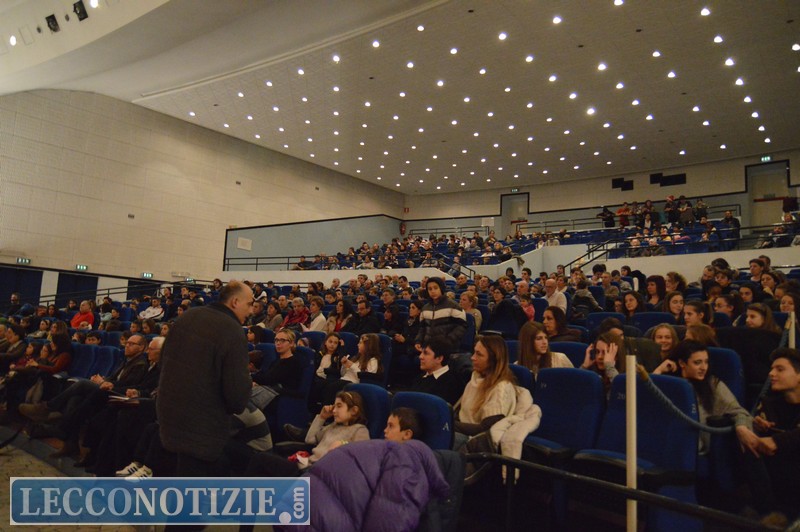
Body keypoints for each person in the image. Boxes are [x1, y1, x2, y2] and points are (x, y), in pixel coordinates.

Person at [157, 280, 254, 477]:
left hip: (170, 417)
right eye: (250, 304)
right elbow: (236, 395)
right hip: (202, 429)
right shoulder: (232, 330)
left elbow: (162, 362)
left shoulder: (188, 316)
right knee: (194, 490)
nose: (252, 310)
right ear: (235, 302)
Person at [246, 390, 369, 477]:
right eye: (334, 406)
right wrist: (321, 417)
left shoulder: (359, 430)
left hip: (317, 474)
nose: (334, 410)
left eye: (339, 406)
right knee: (262, 465)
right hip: (305, 468)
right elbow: (309, 440)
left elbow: (362, 454)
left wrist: (343, 443)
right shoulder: (333, 426)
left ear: (354, 410)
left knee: (260, 459)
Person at [747, 348, 800, 520]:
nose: (771, 373)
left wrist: (777, 440)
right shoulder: (770, 404)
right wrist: (756, 428)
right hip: (777, 483)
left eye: (780, 369)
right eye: (771, 369)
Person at [454, 335, 517, 451]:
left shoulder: (501, 388)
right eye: (474, 352)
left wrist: (452, 425)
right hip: (462, 434)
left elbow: (486, 429)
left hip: (477, 442)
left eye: (479, 354)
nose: (472, 357)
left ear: (493, 359)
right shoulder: (475, 380)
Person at [415, 277, 467, 355]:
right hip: (428, 347)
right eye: (430, 289)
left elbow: (462, 326)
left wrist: (448, 340)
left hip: (448, 348)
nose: (433, 291)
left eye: (435, 288)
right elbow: (422, 328)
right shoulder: (425, 308)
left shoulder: (453, 306)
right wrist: (418, 341)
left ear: (441, 288)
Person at [411, 337, 465, 405]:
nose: (420, 357)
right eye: (421, 353)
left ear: (439, 358)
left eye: (426, 353)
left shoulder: (451, 383)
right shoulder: (420, 377)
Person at [580, 331, 625, 395]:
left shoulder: (627, 374)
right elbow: (573, 388)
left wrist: (609, 366)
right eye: (597, 352)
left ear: (616, 355)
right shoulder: (593, 373)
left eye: (605, 352)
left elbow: (621, 390)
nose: (599, 357)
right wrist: (584, 366)